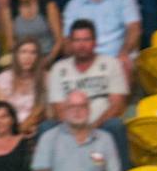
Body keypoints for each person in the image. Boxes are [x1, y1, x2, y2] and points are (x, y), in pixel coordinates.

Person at [45, 20, 129, 158]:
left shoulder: (111, 64)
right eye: (77, 40)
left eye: (86, 40)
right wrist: (77, 130)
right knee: (46, 127)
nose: (82, 45)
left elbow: (117, 105)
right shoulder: (59, 68)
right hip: (69, 126)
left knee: (116, 125)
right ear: (70, 43)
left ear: (95, 42)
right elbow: (58, 109)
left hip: (102, 125)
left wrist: (93, 127)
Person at [33, 90, 121, 171]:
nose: (77, 111)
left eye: (82, 106)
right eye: (72, 107)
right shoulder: (49, 138)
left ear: (89, 109)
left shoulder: (105, 139)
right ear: (64, 110)